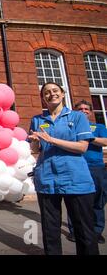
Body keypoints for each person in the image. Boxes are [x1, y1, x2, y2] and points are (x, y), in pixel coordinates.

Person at [28, 82, 99, 255]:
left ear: (62, 93)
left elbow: (82, 147)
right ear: (43, 98)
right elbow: (36, 151)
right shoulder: (38, 120)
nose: (51, 94)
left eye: (54, 91)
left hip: (76, 179)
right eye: (46, 92)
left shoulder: (77, 117)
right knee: (50, 232)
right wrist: (36, 142)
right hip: (47, 179)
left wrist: (52, 140)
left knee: (84, 231)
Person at [66, 100, 107, 244]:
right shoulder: (70, 126)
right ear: (75, 111)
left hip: (96, 167)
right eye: (80, 109)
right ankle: (75, 231)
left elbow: (106, 141)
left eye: (86, 109)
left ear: (90, 112)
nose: (83, 111)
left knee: (98, 201)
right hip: (76, 166)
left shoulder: (99, 126)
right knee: (74, 200)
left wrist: (90, 138)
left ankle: (97, 231)